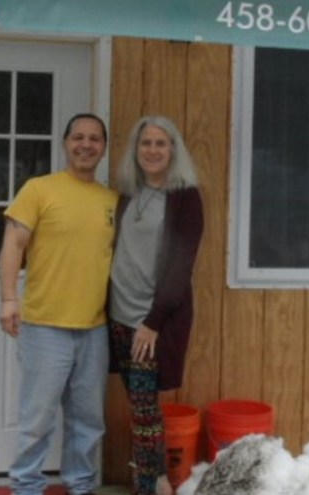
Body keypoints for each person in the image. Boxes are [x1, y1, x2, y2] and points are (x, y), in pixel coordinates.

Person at [0, 112, 119, 495]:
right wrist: (7, 298)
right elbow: (13, 245)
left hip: (94, 328)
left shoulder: (112, 200)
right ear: (66, 144)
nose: (86, 144)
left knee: (88, 420)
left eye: (95, 138)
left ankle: (80, 485)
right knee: (37, 419)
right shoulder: (39, 189)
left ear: (103, 147)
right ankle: (27, 487)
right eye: (78, 137)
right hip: (44, 325)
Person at [108, 116, 205, 495]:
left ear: (173, 150)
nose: (152, 150)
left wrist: (152, 322)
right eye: (145, 143)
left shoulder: (185, 197)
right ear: (136, 150)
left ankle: (156, 484)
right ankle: (147, 479)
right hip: (117, 313)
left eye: (160, 143)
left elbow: (181, 266)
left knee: (146, 409)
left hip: (150, 320)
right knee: (138, 405)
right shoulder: (128, 193)